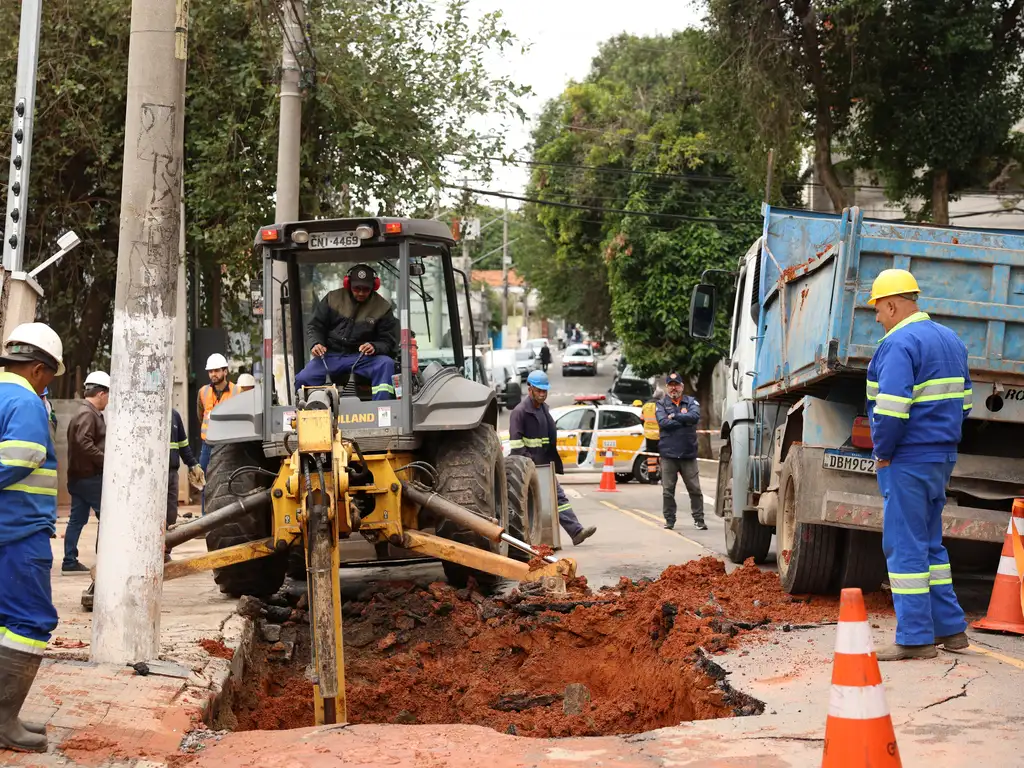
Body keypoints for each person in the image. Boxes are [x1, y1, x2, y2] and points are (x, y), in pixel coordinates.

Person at [865, 269, 970, 661]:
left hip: (907, 457)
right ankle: (951, 630)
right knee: (930, 545)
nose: (877, 318)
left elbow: (890, 410)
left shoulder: (897, 344)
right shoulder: (951, 339)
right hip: (941, 456)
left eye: (878, 309)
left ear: (892, 304)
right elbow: (965, 404)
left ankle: (915, 639)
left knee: (905, 546)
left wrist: (883, 452)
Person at [0, 322, 64, 753]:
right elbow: (21, 456)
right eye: (49, 377)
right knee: (30, 620)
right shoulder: (24, 399)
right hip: (19, 531)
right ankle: (3, 721)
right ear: (38, 369)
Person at [509, 370, 596, 546]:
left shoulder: (543, 410)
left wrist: (550, 462)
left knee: (559, 499)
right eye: (539, 390)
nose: (542, 394)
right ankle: (524, 543)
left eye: (545, 391)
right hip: (526, 469)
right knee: (527, 505)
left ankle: (576, 532)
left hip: (543, 466)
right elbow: (517, 446)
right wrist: (530, 465)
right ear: (530, 389)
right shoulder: (519, 413)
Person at [294, 263, 398, 400]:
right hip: (330, 357)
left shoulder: (383, 308)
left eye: (366, 289)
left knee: (386, 364)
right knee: (303, 378)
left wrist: (374, 346)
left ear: (374, 287)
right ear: (348, 284)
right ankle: (305, 413)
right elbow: (315, 326)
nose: (361, 293)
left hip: (363, 358)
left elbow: (388, 340)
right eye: (357, 288)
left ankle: (382, 412)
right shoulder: (332, 299)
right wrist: (316, 343)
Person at [62, 371, 109, 575]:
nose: (108, 400)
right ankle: (107, 559)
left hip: (79, 478)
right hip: (90, 478)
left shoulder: (84, 413)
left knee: (77, 519)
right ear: (100, 394)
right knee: (108, 516)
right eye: (108, 395)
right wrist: (106, 460)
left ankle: (69, 561)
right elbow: (84, 443)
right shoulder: (88, 414)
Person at [656, 372, 706, 531]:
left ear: (682, 387)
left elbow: (695, 417)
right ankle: (669, 520)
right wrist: (683, 420)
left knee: (695, 489)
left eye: (676, 385)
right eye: (670, 385)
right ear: (667, 387)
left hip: (688, 454)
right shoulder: (661, 404)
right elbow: (663, 422)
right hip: (668, 455)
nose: (673, 388)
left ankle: (699, 520)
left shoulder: (691, 401)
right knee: (667, 491)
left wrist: (674, 416)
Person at [167, 409, 204, 561]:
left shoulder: (174, 415)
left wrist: (193, 464)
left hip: (171, 473)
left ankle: (164, 551)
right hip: (151, 474)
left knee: (170, 514)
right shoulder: (145, 411)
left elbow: (183, 444)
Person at [197, 353, 238, 478]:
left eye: (216, 371)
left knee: (226, 478)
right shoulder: (203, 392)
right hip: (207, 444)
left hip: (228, 443)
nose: (213, 374)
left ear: (225, 371)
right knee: (203, 478)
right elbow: (201, 415)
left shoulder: (237, 391)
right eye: (210, 371)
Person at [640, 395, 660, 481]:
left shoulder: (645, 405)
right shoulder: (661, 405)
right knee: (662, 457)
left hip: (649, 435)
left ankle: (652, 478)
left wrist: (646, 428)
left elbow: (641, 419)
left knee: (651, 457)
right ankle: (663, 476)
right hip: (660, 435)